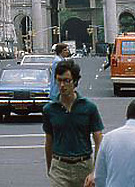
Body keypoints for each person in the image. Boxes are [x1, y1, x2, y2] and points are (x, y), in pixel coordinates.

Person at [43, 59, 104, 187]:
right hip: (59, 167)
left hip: (83, 166)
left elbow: (99, 139)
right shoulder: (49, 109)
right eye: (59, 80)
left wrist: (95, 171)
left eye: (67, 81)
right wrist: (51, 168)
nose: (62, 85)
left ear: (75, 82)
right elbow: (49, 141)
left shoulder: (88, 107)